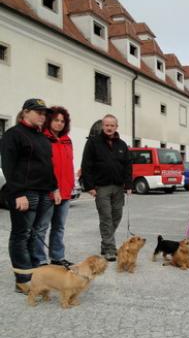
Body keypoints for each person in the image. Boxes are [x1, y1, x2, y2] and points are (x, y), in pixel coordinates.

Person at [0, 99, 58, 294]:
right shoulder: (13, 134)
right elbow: (9, 166)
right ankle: (23, 279)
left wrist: (55, 188)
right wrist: (17, 193)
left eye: (44, 113)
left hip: (44, 193)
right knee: (21, 235)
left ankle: (36, 276)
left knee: (36, 235)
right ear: (25, 112)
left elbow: (48, 166)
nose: (42, 116)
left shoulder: (43, 138)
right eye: (38, 112)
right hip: (25, 193)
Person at [80, 114, 132, 261]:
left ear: (116, 127)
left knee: (117, 215)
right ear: (103, 126)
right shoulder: (93, 143)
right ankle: (109, 248)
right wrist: (89, 186)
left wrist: (128, 184)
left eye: (112, 125)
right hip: (101, 187)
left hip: (118, 187)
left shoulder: (122, 145)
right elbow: (86, 165)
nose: (109, 128)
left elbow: (128, 165)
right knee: (106, 218)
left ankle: (105, 243)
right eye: (106, 125)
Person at [32, 107, 75, 267]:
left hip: (65, 191)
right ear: (49, 120)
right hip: (48, 191)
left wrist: (71, 185)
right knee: (41, 227)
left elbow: (69, 165)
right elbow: (43, 167)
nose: (59, 123)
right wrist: (51, 188)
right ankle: (39, 259)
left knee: (59, 227)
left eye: (62, 121)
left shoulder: (67, 140)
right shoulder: (42, 138)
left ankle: (57, 257)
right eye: (56, 120)